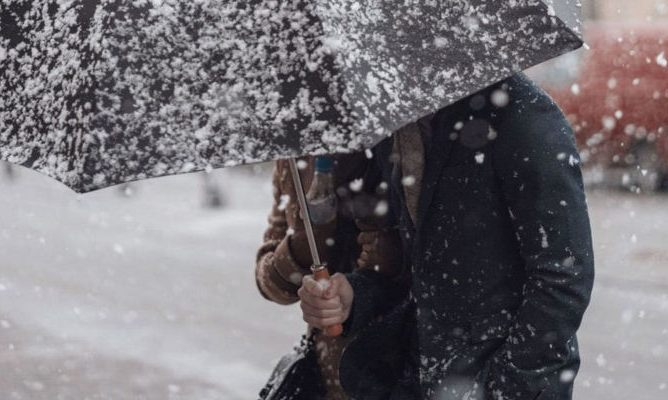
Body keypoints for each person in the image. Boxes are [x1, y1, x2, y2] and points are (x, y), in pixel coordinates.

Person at [298, 74, 595, 400]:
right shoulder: (398, 122)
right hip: (422, 377)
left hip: (497, 384)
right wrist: (355, 296)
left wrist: (506, 385)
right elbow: (418, 267)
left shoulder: (522, 113)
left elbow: (563, 278)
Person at [255, 153, 406, 400]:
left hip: (388, 370)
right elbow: (270, 283)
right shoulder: (291, 158)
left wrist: (353, 294)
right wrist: (308, 237)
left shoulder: (383, 148)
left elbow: (395, 268)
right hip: (324, 371)